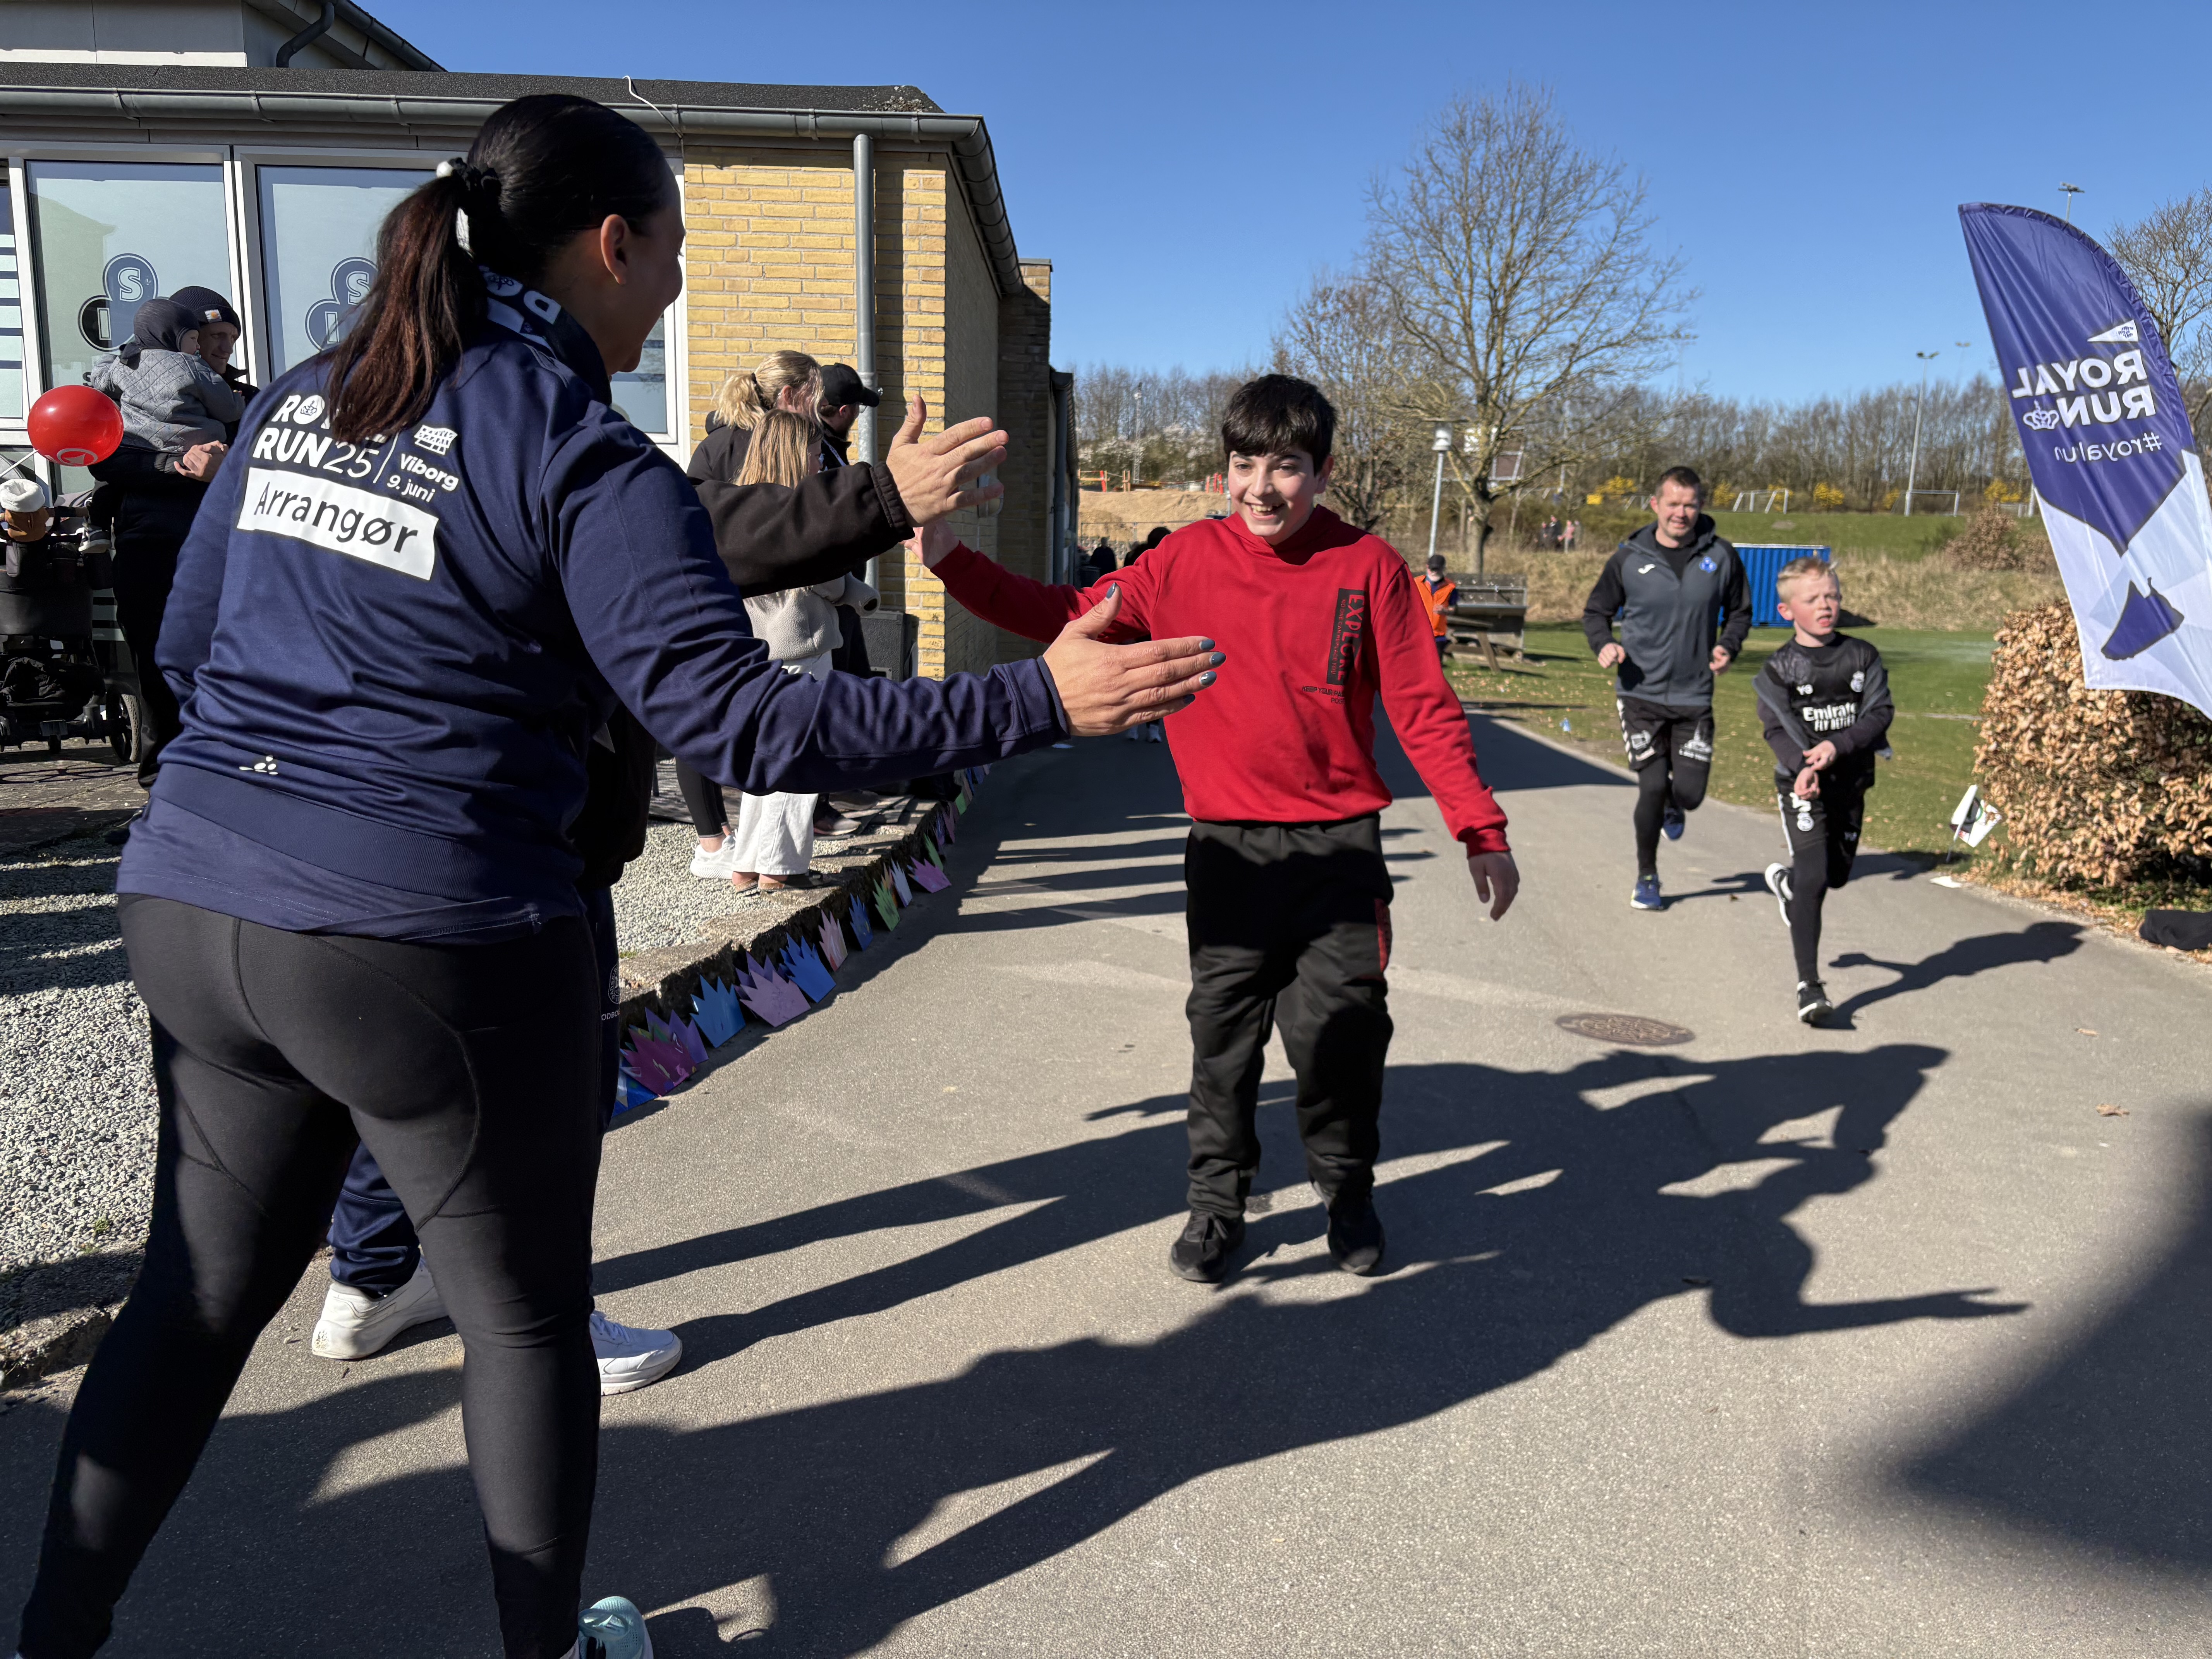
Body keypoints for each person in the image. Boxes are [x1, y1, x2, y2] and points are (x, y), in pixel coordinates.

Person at [10, 91, 1219, 1659]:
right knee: (520, 1324)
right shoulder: (582, 445)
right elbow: (739, 719)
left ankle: (50, 1635)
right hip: (425, 933)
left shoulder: (307, 398)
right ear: (609, 242)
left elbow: (183, 650)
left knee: (192, 1301)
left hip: (190, 900)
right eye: (667, 257)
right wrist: (1033, 701)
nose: (664, 293)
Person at [914, 373, 1517, 1286]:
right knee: (1222, 1041)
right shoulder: (1181, 564)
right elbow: (1063, 617)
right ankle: (1216, 1208)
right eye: (1244, 465)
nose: (1262, 488)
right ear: (1223, 470)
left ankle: (1347, 1191)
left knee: (1340, 1039)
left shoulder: (1372, 570)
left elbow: (1425, 709)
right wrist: (950, 558)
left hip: (1339, 855)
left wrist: (1481, 829)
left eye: (1286, 467)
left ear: (1323, 472)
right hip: (1229, 852)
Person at [86, 290, 255, 799]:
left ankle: (240, 789)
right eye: (213, 338)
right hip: (150, 547)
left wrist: (230, 470)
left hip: (231, 551)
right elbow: (105, 460)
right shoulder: (132, 389)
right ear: (187, 341)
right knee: (156, 667)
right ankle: (166, 794)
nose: (223, 348)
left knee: (233, 666)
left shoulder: (250, 399)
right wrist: (175, 468)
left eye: (230, 338)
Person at [1581, 465, 1750, 911]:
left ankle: (1676, 807)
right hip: (1640, 694)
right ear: (1655, 505)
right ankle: (1647, 877)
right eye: (1673, 504)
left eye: (1690, 504)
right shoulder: (1628, 559)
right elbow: (1596, 612)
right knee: (1651, 787)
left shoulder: (1722, 558)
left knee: (1689, 795)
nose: (1681, 513)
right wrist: (1604, 645)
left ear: (1700, 507)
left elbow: (1740, 612)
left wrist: (1729, 646)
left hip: (1695, 697)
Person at [722, 411, 879, 891]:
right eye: (813, 452)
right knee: (802, 758)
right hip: (802, 644)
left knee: (765, 758)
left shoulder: (741, 506)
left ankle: (747, 864)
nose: (819, 461)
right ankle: (781, 867)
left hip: (758, 646)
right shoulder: (796, 511)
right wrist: (858, 593)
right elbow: (824, 576)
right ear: (793, 453)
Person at [1758, 559, 1891, 1025]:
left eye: (1832, 596)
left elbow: (1879, 714)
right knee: (1815, 877)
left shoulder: (1863, 656)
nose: (1826, 606)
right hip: (1802, 786)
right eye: (1813, 599)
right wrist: (1801, 767)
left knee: (1834, 877)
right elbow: (1775, 729)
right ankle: (1809, 987)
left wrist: (1838, 745)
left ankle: (1789, 887)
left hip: (1850, 782)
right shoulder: (1778, 669)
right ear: (1787, 609)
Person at [84, 298, 245, 462]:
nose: (197, 347)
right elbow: (228, 410)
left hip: (135, 444)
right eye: (193, 339)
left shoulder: (124, 364)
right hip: (190, 448)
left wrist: (108, 361)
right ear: (172, 335)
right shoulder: (191, 365)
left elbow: (103, 383)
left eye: (233, 338)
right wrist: (238, 401)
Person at [687, 349, 821, 486]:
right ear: (789, 396)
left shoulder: (733, 439)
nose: (825, 404)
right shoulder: (759, 442)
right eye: (816, 397)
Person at [1418, 551, 1456, 663]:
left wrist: (1445, 611)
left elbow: (1453, 609)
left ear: (1444, 569)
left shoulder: (1451, 587)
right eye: (1432, 569)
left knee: (1435, 668)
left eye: (1438, 570)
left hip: (1438, 635)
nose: (1434, 572)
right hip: (1418, 633)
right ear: (1427, 567)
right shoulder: (1416, 584)